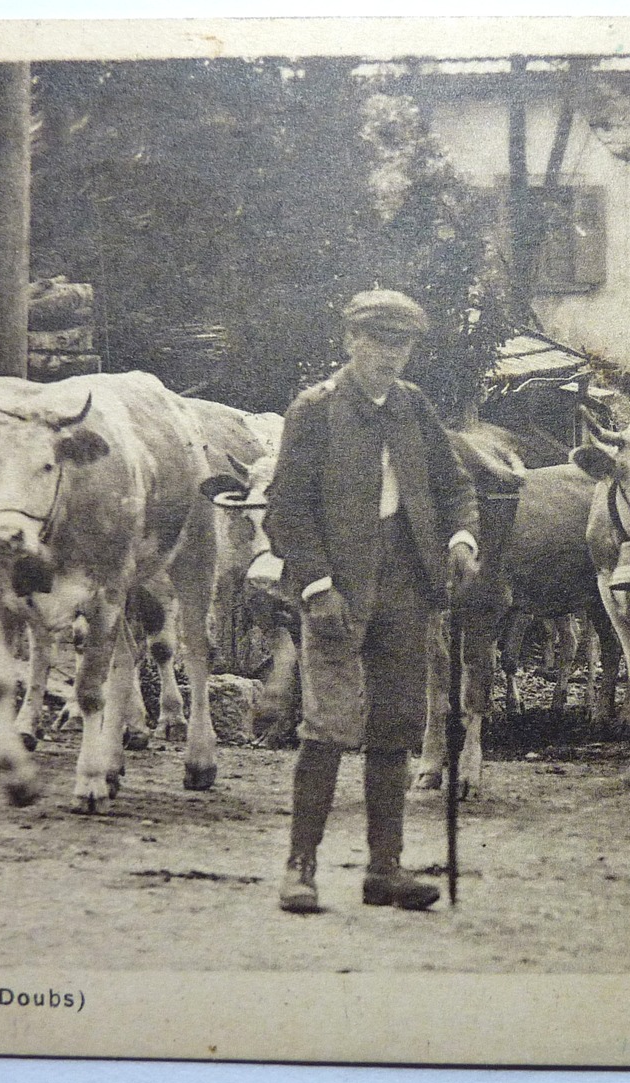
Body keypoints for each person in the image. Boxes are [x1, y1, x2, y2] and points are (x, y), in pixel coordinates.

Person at [263, 289, 480, 914]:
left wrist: (461, 536)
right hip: (337, 590)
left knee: (397, 722)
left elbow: (455, 485)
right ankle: (299, 870)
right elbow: (287, 509)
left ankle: (384, 869)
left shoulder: (414, 408)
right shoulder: (316, 410)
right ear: (351, 342)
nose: (391, 355)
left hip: (408, 587)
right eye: (378, 341)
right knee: (328, 724)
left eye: (403, 344)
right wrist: (315, 583)